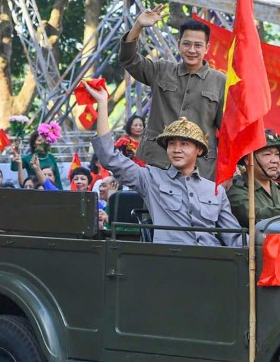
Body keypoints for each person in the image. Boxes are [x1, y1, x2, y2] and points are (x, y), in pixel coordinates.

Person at [85, 83, 242, 247]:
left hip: (212, 263)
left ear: (200, 150)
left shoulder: (216, 191)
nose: (177, 149)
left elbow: (235, 240)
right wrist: (102, 104)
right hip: (168, 262)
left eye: (184, 144)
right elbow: (109, 157)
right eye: (171, 144)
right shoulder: (150, 179)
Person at [120, 5, 225, 179]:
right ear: (179, 45)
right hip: (159, 161)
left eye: (198, 45)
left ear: (207, 48)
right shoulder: (161, 70)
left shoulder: (220, 81)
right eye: (187, 44)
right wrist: (138, 25)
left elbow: (227, 129)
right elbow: (128, 59)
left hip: (200, 167)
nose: (192, 50)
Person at [227, 130, 280, 225]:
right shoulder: (237, 191)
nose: (275, 160)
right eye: (267, 154)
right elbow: (257, 216)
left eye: (277, 154)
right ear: (249, 159)